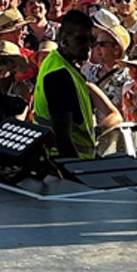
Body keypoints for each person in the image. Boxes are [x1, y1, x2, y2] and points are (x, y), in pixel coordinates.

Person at [31, 9, 97, 159]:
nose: (88, 46)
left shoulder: (55, 62)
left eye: (91, 40)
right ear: (64, 39)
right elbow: (62, 138)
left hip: (54, 161)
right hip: (62, 165)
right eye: (81, 40)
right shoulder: (60, 75)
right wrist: (76, 172)